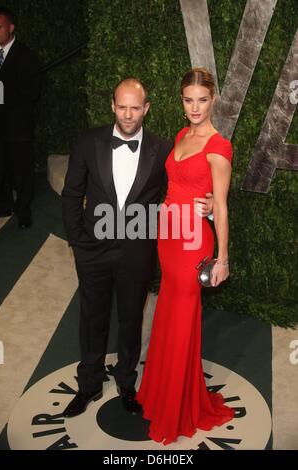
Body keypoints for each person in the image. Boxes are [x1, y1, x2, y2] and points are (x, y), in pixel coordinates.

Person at [61, 78, 212, 417]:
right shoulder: (88, 141)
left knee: (131, 319)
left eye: (135, 108)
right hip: (93, 249)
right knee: (92, 317)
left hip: (137, 252)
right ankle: (88, 385)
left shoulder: (162, 150)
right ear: (113, 106)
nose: (128, 115)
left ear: (146, 109)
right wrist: (77, 240)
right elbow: (72, 193)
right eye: (122, 107)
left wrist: (213, 201)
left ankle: (127, 384)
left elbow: (184, 187)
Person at [137, 68, 235, 445]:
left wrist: (222, 259)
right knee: (167, 314)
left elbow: (221, 207)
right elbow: (176, 185)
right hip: (169, 235)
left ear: (214, 100)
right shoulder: (181, 135)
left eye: (202, 100)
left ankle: (176, 410)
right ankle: (161, 394)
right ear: (182, 100)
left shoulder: (218, 145)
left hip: (194, 243)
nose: (195, 107)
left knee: (180, 317)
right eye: (188, 100)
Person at [0, 7, 41, 228]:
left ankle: (24, 212)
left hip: (19, 127)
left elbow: (33, 91)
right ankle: (3, 205)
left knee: (21, 172)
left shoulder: (26, 55)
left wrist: (5, 92)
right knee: (1, 169)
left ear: (11, 28)